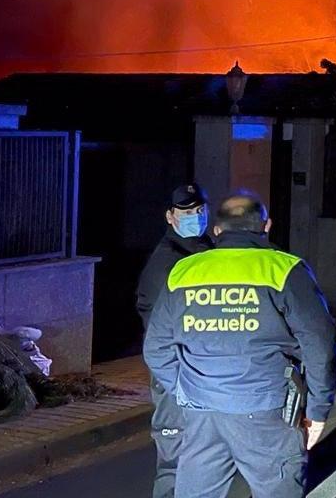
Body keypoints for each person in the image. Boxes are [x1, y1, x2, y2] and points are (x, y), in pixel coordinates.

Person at [143, 194, 336, 498]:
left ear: (218, 231)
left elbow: (156, 348)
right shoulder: (284, 270)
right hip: (266, 411)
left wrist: (186, 391)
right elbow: (320, 345)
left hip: (201, 413)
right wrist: (317, 409)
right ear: (267, 226)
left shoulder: (184, 272)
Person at [135, 184, 212, 498]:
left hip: (202, 368)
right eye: (186, 211)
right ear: (170, 216)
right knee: (174, 454)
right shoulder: (167, 262)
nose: (195, 216)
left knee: (202, 454)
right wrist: (173, 376)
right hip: (177, 370)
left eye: (199, 210)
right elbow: (156, 325)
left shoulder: (205, 248)